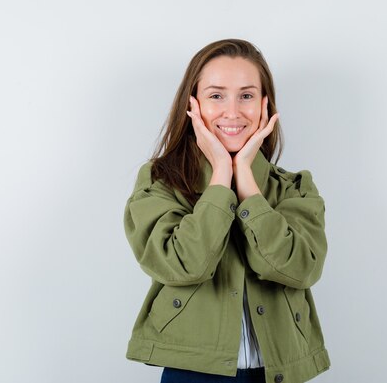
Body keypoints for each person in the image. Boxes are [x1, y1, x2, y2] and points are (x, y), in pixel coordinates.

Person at [123, 39, 330, 383]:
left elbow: (300, 269)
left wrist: (247, 184)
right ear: (193, 105)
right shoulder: (159, 181)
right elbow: (183, 265)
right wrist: (221, 174)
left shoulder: (295, 188)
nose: (232, 112)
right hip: (193, 371)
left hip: (278, 372)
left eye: (246, 96)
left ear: (265, 104)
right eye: (216, 96)